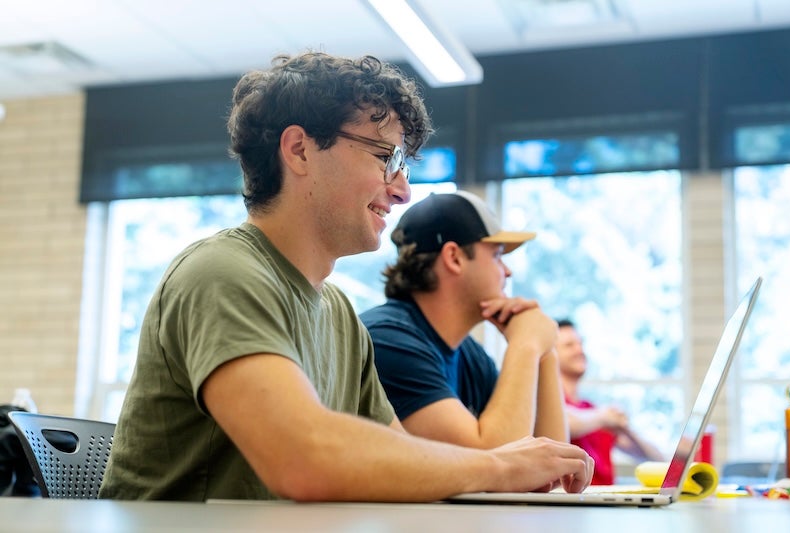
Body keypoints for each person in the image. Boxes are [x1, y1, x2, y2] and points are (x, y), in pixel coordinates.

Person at [99, 52, 593, 502]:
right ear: (299, 151)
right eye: (385, 158)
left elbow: (402, 460)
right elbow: (303, 459)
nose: (401, 191)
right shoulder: (222, 274)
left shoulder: (337, 313)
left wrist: (497, 462)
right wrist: (497, 467)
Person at [361, 190, 569, 450]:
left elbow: (556, 463)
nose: (507, 270)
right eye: (496, 255)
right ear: (454, 258)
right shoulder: (388, 340)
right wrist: (526, 345)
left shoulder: (471, 357)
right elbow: (498, 466)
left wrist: (545, 352)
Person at [556, 318, 663, 485]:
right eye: (569, 345)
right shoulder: (551, 405)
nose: (580, 350)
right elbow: (562, 421)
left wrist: (627, 429)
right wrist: (605, 416)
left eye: (580, 343)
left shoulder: (591, 410)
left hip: (605, 504)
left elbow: (655, 458)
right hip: (575, 505)